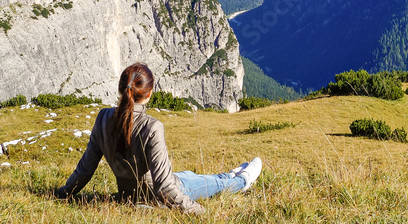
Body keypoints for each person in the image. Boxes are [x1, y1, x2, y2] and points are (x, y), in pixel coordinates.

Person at [54, 62, 262, 215]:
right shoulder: (152, 127)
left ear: (121, 89)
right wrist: (200, 211)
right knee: (212, 183)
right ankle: (242, 180)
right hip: (159, 196)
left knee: (189, 174)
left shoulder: (102, 118)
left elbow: (85, 170)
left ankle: (231, 174)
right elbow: (164, 186)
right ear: (149, 93)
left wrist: (63, 193)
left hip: (128, 197)